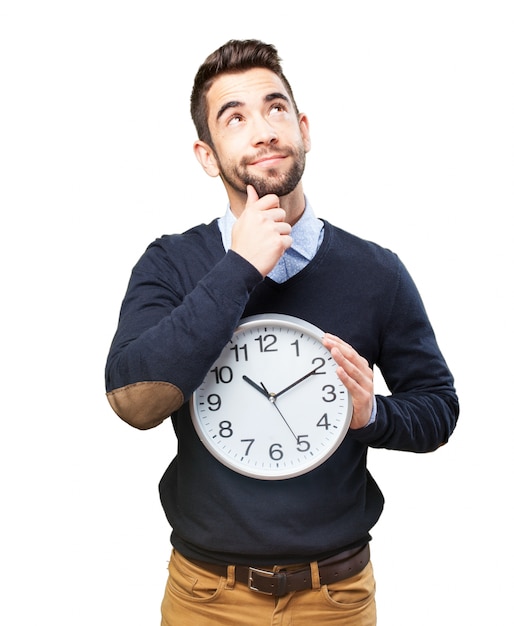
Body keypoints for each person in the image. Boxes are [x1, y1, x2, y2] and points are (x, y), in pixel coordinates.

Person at [105, 39, 459, 626]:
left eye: (275, 109)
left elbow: (439, 409)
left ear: (304, 128)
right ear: (207, 154)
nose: (263, 130)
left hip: (336, 597)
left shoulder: (376, 272)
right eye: (235, 117)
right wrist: (239, 267)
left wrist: (374, 416)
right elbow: (132, 401)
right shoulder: (170, 264)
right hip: (205, 597)